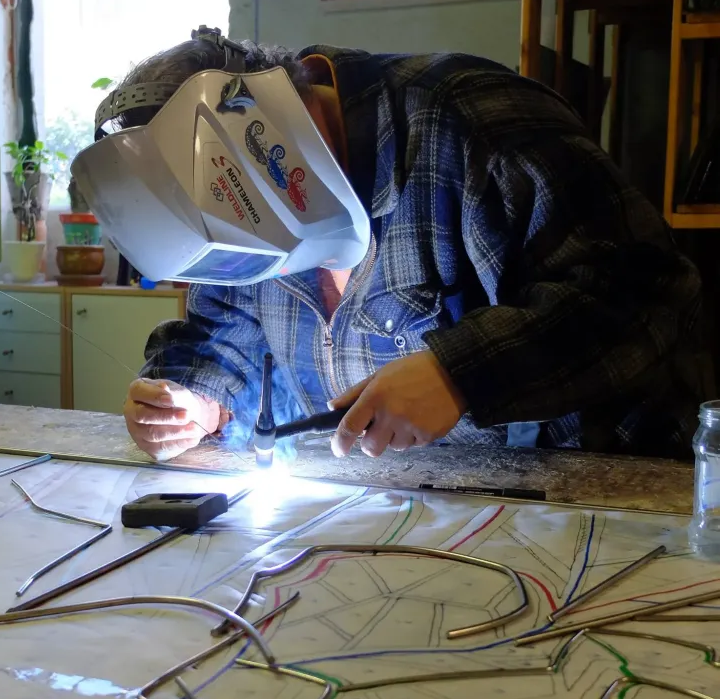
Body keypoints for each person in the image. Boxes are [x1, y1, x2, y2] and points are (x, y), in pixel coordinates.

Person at [76, 31, 708, 463]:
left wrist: (459, 373)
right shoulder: (227, 209)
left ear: (253, 127)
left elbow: (644, 289)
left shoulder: (465, 118)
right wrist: (194, 395)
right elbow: (226, 323)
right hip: (384, 516)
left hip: (594, 499)